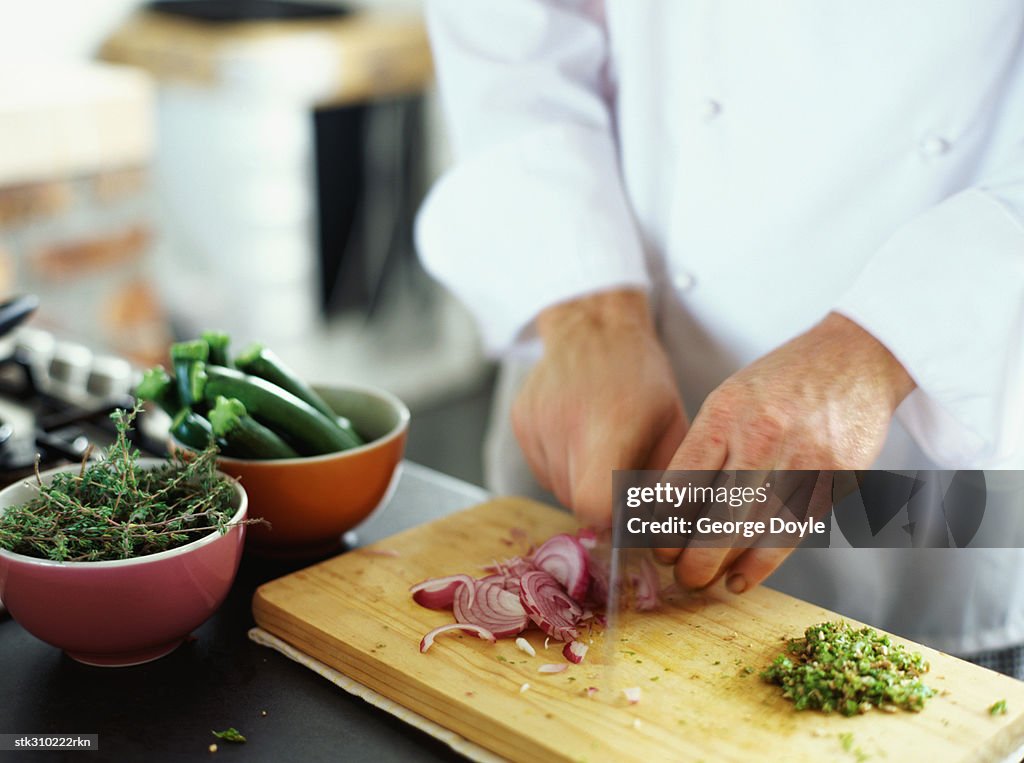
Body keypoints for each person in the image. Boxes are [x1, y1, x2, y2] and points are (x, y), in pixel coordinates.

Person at [414, 1, 1024, 675]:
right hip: (597, 354)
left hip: (947, 441)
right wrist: (587, 308)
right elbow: (513, 34)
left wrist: (890, 341)